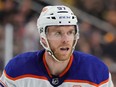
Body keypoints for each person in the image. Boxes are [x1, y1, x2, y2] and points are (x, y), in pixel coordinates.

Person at [0, 5, 114, 87]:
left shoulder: (96, 71)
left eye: (69, 32)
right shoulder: (17, 69)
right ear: (43, 38)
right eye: (57, 33)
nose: (65, 40)